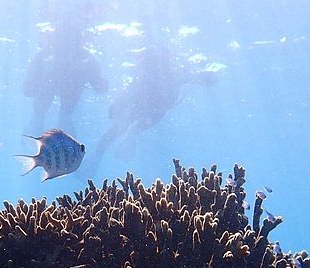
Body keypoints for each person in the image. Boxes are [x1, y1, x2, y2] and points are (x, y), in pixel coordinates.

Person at [84, 44, 219, 177]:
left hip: (150, 109)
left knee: (122, 128)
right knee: (121, 128)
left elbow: (194, 78)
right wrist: (118, 105)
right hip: (147, 108)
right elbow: (131, 91)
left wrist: (118, 106)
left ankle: (100, 155)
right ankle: (98, 156)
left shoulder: (174, 72)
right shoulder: (168, 72)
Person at [23, 18, 108, 134]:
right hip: (55, 87)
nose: (66, 51)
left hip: (66, 88)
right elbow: (28, 90)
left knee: (57, 112)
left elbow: (101, 88)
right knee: (49, 112)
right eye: (62, 44)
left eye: (70, 44)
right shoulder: (45, 56)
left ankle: (43, 122)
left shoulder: (84, 58)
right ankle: (44, 122)